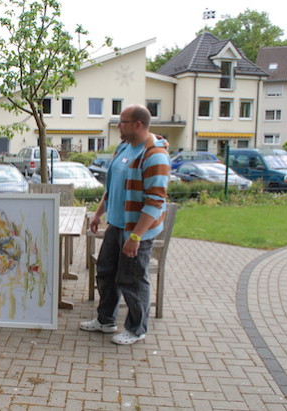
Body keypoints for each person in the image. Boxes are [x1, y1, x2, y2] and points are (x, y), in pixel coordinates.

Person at [80, 104, 170, 345]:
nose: (119, 125)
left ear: (137, 124)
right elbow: (113, 189)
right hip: (116, 225)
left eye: (123, 121)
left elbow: (155, 203)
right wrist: (98, 214)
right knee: (106, 273)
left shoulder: (154, 156)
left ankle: (136, 329)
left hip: (136, 231)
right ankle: (106, 320)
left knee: (132, 279)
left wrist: (136, 237)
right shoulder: (124, 148)